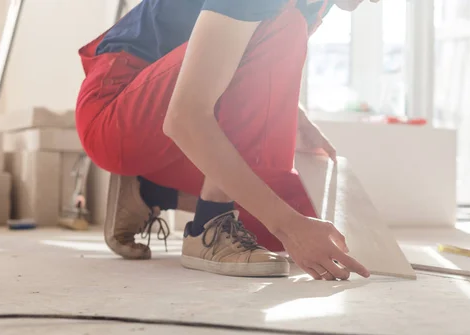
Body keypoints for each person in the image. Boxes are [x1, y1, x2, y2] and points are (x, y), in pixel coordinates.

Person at [76, 0, 375, 281]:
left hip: (160, 122)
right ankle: (210, 225)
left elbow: (232, 61)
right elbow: (185, 117)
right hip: (115, 114)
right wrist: (289, 225)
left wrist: (293, 115)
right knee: (287, 223)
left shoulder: (316, 5)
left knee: (304, 217)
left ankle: (149, 192)